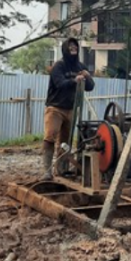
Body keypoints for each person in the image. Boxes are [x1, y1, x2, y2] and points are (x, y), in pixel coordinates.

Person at [41, 38, 95, 180]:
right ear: (65, 49)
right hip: (55, 108)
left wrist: (87, 77)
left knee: (66, 142)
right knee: (50, 137)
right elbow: (59, 83)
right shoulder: (58, 66)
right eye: (70, 46)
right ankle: (47, 171)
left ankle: (61, 169)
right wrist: (74, 80)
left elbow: (90, 86)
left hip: (71, 109)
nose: (73, 48)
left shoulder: (80, 66)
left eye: (75, 46)